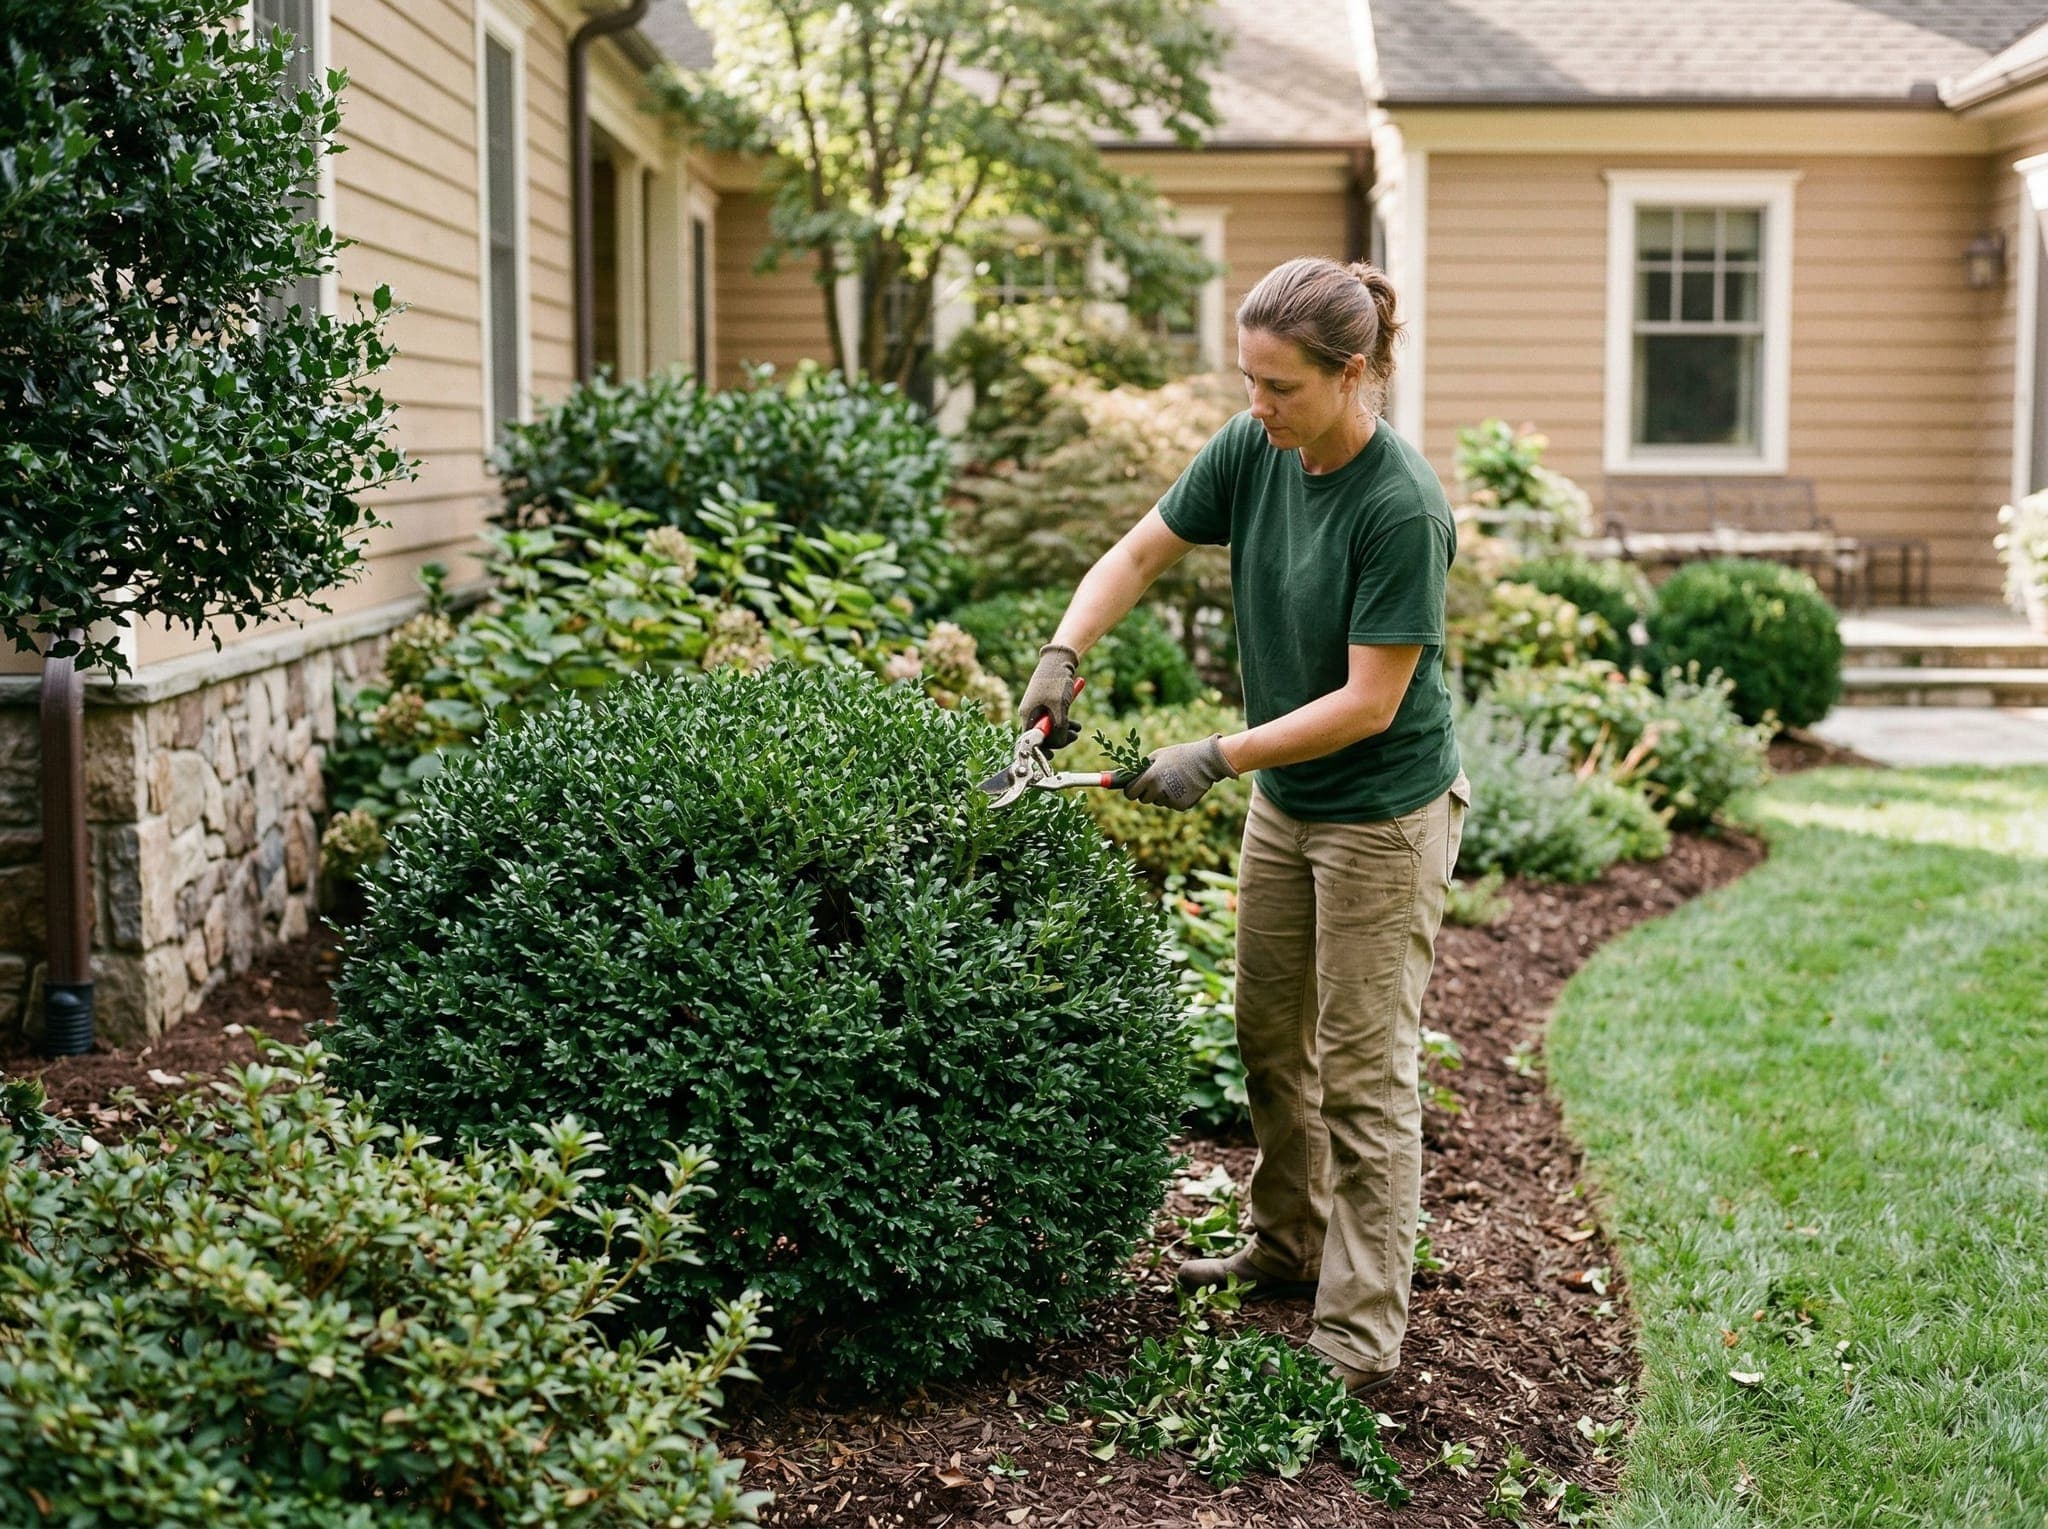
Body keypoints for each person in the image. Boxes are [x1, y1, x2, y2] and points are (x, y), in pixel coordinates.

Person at [1017, 256, 1468, 1398]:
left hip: (1382, 813)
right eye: (1247, 380)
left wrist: (1214, 754)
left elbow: (1368, 702)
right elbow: (1135, 552)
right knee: (1268, 1037)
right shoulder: (1252, 448)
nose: (1254, 406)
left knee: (1364, 1073)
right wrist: (1064, 652)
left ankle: (1359, 1328)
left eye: (1279, 386)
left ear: (1350, 373)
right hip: (1291, 800)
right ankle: (1286, 1243)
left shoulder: (1398, 506)